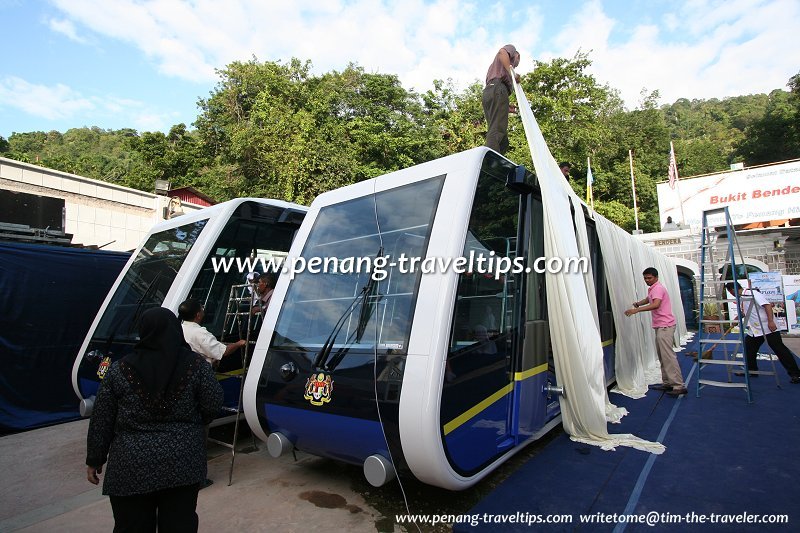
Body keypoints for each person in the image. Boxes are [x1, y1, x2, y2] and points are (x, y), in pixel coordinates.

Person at [86, 307, 223, 532]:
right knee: (180, 524)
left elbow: (102, 417)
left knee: (131, 525)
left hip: (130, 465)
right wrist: (192, 424)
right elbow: (213, 404)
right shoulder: (196, 366)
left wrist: (95, 458)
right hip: (182, 462)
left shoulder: (120, 369)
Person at [625, 267, 687, 396]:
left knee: (668, 356)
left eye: (649, 278)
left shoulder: (658, 288)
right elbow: (649, 299)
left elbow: (656, 304)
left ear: (656, 277)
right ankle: (668, 383)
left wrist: (636, 310)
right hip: (661, 326)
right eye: (645, 278)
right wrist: (638, 303)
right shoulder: (653, 288)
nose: (647, 280)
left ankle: (678, 385)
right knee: (662, 355)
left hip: (665, 326)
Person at [725, 283, 800, 383]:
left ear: (732, 289)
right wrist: (736, 320)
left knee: (780, 350)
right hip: (755, 330)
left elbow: (767, 305)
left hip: (768, 327)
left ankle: (796, 374)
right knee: (749, 348)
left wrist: (770, 321)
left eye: (730, 292)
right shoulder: (742, 298)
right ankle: (752, 371)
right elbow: (745, 312)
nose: (731, 294)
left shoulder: (752, 293)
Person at [178, 298, 246, 367]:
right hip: (200, 373)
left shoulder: (179, 329)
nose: (203, 309)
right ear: (198, 315)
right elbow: (224, 352)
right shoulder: (199, 333)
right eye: (202, 308)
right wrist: (239, 343)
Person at [482, 44, 521, 155]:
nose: (515, 66)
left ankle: (496, 159)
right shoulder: (511, 50)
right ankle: (491, 162)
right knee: (497, 130)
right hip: (498, 88)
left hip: (490, 92)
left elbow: (493, 95)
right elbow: (502, 52)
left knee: (503, 141)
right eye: (516, 64)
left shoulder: (494, 67)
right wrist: (512, 73)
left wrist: (505, 106)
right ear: (518, 56)